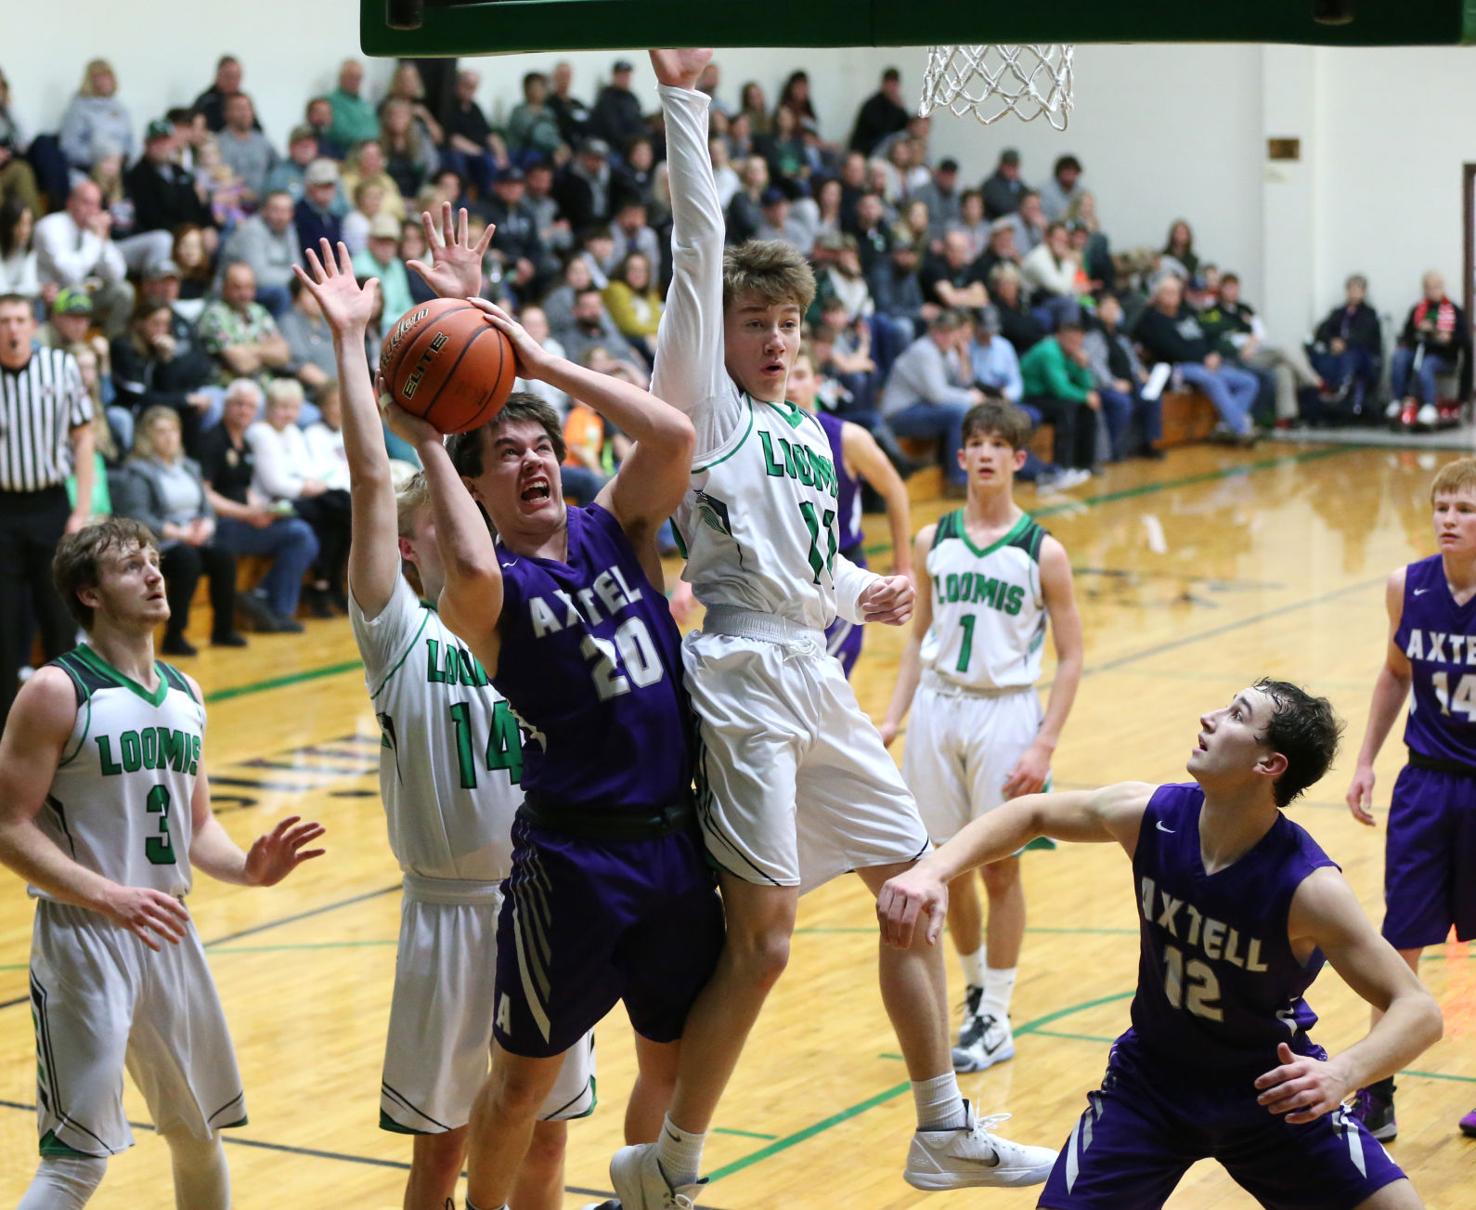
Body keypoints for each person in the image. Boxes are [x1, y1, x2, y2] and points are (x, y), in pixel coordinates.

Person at [608, 49, 1059, 1209]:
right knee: (762, 946)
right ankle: (675, 1167)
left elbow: (812, 568)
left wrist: (865, 592)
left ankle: (942, 1128)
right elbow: (694, 247)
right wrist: (688, 105)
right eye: (752, 321)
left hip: (813, 670)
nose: (769, 337)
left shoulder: (807, 433)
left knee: (911, 892)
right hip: (740, 681)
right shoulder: (702, 405)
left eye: (786, 323)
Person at [378, 297, 724, 1210]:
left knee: (674, 1059)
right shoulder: (486, 594)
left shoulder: (620, 529)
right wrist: (429, 440)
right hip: (573, 862)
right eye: (505, 457)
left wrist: (539, 364)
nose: (530, 463)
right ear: (481, 492)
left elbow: (674, 435)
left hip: (677, 840)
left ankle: (652, 1194)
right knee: (523, 1087)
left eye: (539, 449)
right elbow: (475, 569)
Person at [879, 678, 1443, 1210]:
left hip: (1267, 1091)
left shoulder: (1310, 888)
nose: (1210, 717)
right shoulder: (1151, 815)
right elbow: (1032, 814)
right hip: (1150, 1084)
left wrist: (1342, 1074)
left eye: (1236, 716)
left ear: (1268, 765)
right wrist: (935, 871)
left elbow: (1417, 1009)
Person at [293, 237, 599, 1208]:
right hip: (448, 920)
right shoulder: (399, 638)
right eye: (418, 528)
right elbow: (376, 481)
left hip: (549, 897)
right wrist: (352, 338)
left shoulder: (537, 612)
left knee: (548, 1145)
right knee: (444, 1148)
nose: (426, 532)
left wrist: (477, 311)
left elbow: (513, 443)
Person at [0, 517, 324, 1210]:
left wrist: (247, 869)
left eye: (154, 561)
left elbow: (195, 827)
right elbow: (8, 825)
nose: (154, 574)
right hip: (85, 940)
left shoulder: (185, 693)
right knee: (76, 1162)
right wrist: (108, 897)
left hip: (168, 931)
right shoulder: (58, 690)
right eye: (130, 567)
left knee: (199, 1132)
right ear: (88, 592)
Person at [879, 399, 1083, 1073]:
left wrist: (1043, 744)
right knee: (943, 864)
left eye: (1001, 444)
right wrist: (893, 716)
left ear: (1019, 460)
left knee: (1000, 866)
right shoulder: (933, 540)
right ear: (961, 456)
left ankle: (998, 1014)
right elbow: (917, 639)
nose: (987, 453)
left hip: (1006, 711)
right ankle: (973, 995)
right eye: (977, 443)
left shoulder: (1043, 551)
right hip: (939, 708)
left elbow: (1073, 656)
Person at [1345, 457, 1476, 1143]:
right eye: (1442, 508)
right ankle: (1378, 1091)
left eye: (1465, 509)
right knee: (1401, 941)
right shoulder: (1407, 586)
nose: (1449, 520)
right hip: (1424, 785)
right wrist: (1366, 759)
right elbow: (1396, 674)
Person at [0, 294, 95, 726]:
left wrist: (81, 509)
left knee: (58, 612)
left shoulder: (60, 367)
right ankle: (7, 725)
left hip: (50, 504)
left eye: (20, 320)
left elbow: (84, 437)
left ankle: (67, 718)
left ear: (34, 325)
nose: (13, 329)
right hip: (3, 509)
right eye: (4, 321)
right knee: (4, 619)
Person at [113, 406, 245, 655]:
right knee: (187, 561)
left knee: (223, 556)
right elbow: (138, 518)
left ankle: (223, 630)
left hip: (194, 538)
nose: (169, 436)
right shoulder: (137, 471)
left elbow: (206, 507)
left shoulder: (189, 467)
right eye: (161, 431)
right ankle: (174, 635)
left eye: (174, 430)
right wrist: (179, 533)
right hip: (160, 544)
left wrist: (206, 525)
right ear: (147, 436)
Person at [197, 379, 315, 632]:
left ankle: (266, 600)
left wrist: (262, 511)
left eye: (250, 406)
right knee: (300, 534)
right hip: (220, 525)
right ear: (226, 405)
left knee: (299, 529)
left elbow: (244, 488)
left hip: (242, 518)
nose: (244, 411)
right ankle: (272, 604)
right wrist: (246, 513)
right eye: (238, 404)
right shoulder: (212, 440)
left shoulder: (244, 442)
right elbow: (203, 493)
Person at [1134, 274, 1259, 443]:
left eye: (1175, 292)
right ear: (1157, 295)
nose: (1172, 296)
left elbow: (1206, 336)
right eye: (1167, 292)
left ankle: (1225, 426)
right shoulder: (1152, 320)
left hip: (1205, 363)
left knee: (1248, 382)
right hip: (1177, 368)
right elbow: (1171, 350)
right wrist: (1203, 359)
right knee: (1212, 380)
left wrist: (1214, 354)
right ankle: (1241, 429)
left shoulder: (1186, 314)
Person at [1389, 272, 1470, 429]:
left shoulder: (1453, 311)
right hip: (1418, 352)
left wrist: (1448, 338)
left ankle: (1429, 406)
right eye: (1428, 287)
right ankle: (1399, 401)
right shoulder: (1418, 310)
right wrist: (1418, 329)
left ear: (1442, 287)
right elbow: (1406, 336)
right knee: (1399, 357)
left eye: (1436, 287)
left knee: (1427, 364)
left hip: (1444, 357)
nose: (1432, 290)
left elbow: (1464, 339)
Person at [1019, 322, 1100, 476]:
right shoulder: (1049, 351)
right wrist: (1085, 396)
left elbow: (1087, 385)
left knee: (1087, 408)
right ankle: (1062, 466)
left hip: (1051, 396)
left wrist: (1083, 367)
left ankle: (1085, 463)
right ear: (1059, 337)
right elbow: (1060, 389)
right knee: (1067, 409)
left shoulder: (1073, 354)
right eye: (1071, 340)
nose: (1075, 344)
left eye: (1078, 341)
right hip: (1031, 396)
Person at [196, 262, 291, 387]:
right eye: (237, 287)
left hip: (264, 389)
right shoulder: (214, 316)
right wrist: (266, 352)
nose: (244, 294)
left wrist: (248, 350)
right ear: (224, 287)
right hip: (229, 391)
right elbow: (242, 365)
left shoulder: (258, 311)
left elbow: (284, 356)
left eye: (249, 287)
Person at [1309, 274, 1382, 418]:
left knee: (1351, 355)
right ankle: (1323, 390)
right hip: (1336, 353)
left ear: (1363, 292)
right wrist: (1332, 341)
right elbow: (1321, 330)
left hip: (1362, 357)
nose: (1353, 293)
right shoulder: (1339, 312)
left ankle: (1341, 390)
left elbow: (1364, 336)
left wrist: (1345, 344)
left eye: (1357, 289)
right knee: (1317, 355)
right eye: (1350, 289)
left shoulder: (1369, 313)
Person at [58, 58, 134, 172]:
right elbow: (69, 147)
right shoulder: (78, 108)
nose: (105, 81)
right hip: (89, 167)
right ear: (89, 80)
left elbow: (130, 142)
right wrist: (101, 159)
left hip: (120, 166)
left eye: (108, 76)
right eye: (99, 77)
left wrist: (123, 158)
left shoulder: (120, 108)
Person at [982, 149, 1026, 220]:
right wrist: (1024, 210)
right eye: (1009, 165)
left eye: (1015, 166)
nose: (1012, 169)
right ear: (1001, 165)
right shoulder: (990, 185)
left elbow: (1029, 199)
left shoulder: (1019, 184)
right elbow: (1003, 208)